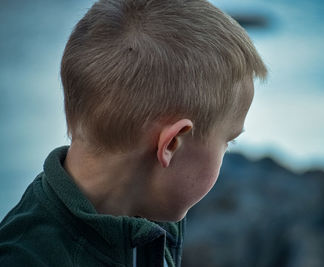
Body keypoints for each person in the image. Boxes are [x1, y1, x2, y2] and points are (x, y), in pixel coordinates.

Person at [0, 0, 266, 266]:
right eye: (229, 141)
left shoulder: (151, 208)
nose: (228, 150)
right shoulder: (23, 258)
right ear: (171, 144)